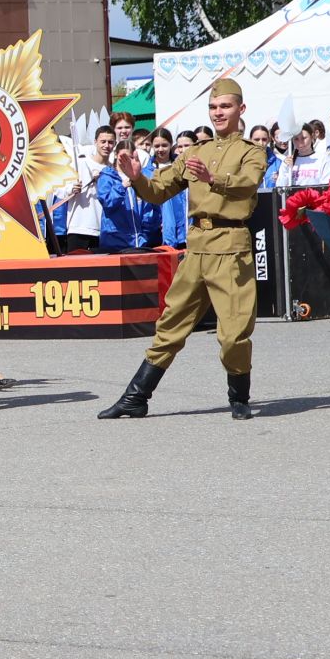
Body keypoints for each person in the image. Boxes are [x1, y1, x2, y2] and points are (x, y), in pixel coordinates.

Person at [99, 78, 268, 420]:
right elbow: (160, 190)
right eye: (213, 108)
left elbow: (248, 184)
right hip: (196, 248)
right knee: (170, 324)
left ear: (241, 109)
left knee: (234, 334)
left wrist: (212, 179)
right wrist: (138, 178)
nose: (218, 113)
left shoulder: (252, 151)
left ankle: (239, 397)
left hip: (230, 246)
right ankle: (136, 397)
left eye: (225, 106)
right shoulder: (195, 152)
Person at [61, 127, 112, 251]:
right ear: (95, 142)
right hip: (79, 227)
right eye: (103, 141)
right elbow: (59, 188)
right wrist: (71, 189)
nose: (106, 145)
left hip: (104, 230)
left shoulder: (113, 169)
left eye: (110, 142)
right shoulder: (80, 163)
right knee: (76, 269)